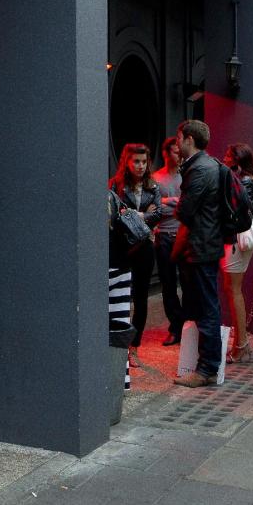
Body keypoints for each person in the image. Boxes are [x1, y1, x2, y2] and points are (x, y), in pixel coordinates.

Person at [171, 120, 226, 388]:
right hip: (206, 245)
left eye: (179, 138)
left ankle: (206, 369)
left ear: (189, 139)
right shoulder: (207, 165)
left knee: (207, 308)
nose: (177, 143)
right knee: (206, 305)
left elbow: (185, 211)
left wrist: (176, 205)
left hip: (202, 247)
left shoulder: (200, 169)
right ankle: (206, 365)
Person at [109, 144, 163, 365]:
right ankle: (116, 343)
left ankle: (134, 347)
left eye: (144, 161)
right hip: (122, 247)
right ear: (127, 162)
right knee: (119, 295)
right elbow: (115, 214)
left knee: (141, 297)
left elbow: (159, 213)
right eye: (136, 161)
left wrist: (133, 214)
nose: (141, 166)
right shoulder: (116, 184)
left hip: (144, 246)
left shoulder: (152, 186)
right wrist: (142, 214)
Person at [220, 143, 253, 363]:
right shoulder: (247, 179)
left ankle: (241, 343)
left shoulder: (243, 181)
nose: (224, 158)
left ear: (237, 160)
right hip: (238, 240)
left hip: (236, 240)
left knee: (233, 290)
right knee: (232, 289)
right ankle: (240, 341)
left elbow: (238, 213)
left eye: (228, 155)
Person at [152, 137, 184, 346]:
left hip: (183, 234)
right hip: (163, 235)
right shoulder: (156, 178)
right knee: (168, 285)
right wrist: (167, 202)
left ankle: (187, 325)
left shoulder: (187, 176)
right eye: (174, 151)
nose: (178, 155)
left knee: (188, 284)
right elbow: (152, 209)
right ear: (165, 153)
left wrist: (175, 207)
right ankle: (175, 326)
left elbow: (188, 206)